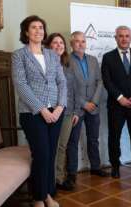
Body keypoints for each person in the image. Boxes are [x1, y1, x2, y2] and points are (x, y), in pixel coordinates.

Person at [12, 15, 67, 207]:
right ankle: (37, 199)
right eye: (33, 28)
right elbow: (21, 85)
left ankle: (47, 194)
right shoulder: (19, 55)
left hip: (56, 111)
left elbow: (61, 81)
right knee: (42, 154)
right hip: (32, 113)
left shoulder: (52, 54)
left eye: (41, 27)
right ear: (26, 32)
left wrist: (60, 106)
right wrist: (42, 109)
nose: (38, 31)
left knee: (50, 154)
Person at [101, 25, 131, 178]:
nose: (124, 39)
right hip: (116, 105)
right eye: (120, 36)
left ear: (130, 38)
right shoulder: (108, 57)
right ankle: (115, 165)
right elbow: (107, 81)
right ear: (115, 38)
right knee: (114, 136)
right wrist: (120, 98)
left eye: (127, 36)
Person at [65, 31, 108, 189]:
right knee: (73, 141)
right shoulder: (66, 60)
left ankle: (95, 167)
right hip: (77, 108)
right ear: (71, 44)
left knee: (93, 139)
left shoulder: (93, 60)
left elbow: (99, 81)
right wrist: (84, 103)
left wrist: (94, 102)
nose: (81, 44)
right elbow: (68, 87)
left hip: (94, 107)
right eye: (77, 41)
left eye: (83, 41)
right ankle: (71, 174)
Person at [44, 33, 80, 191]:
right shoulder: (44, 64)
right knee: (50, 146)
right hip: (50, 112)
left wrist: (76, 112)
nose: (59, 45)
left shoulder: (68, 64)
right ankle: (48, 179)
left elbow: (74, 89)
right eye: (55, 43)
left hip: (67, 112)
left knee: (62, 146)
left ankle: (58, 179)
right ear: (49, 46)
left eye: (61, 43)